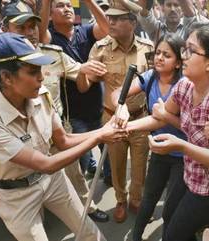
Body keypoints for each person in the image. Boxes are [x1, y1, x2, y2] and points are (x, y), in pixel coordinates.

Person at [0, 32, 126, 241]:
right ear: (6, 77)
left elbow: (63, 141)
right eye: (33, 71)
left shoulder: (41, 94)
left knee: (88, 231)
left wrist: (104, 131)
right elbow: (45, 164)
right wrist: (99, 138)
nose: (42, 77)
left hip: (53, 181)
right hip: (17, 196)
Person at [123, 22, 209, 240]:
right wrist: (124, 127)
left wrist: (181, 145)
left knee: (173, 235)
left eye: (191, 51)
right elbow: (158, 117)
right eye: (184, 49)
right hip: (189, 177)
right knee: (170, 223)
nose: (184, 56)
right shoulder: (185, 86)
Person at [0, 0, 109, 222]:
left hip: (54, 135)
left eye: (32, 27)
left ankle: (87, 207)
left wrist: (89, 67)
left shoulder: (53, 54)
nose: (29, 33)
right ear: (5, 30)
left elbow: (79, 69)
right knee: (25, 189)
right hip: (16, 141)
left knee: (74, 174)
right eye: (21, 28)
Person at [111, 33, 187, 240]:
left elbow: (160, 120)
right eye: (158, 53)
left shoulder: (184, 85)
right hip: (159, 150)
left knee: (171, 204)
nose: (160, 58)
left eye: (167, 55)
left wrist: (127, 127)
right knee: (148, 199)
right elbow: (118, 92)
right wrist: (121, 109)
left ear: (179, 62)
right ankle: (136, 235)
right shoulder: (150, 76)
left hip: (182, 155)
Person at [85, 0, 154, 223]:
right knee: (116, 165)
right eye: (109, 18)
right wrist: (86, 74)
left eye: (116, 19)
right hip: (112, 119)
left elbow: (155, 82)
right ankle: (121, 200)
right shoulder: (100, 48)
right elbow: (86, 82)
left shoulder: (148, 48)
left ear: (132, 22)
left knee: (140, 164)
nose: (110, 22)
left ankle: (136, 199)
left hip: (140, 118)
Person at [39, 0, 111, 179]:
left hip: (97, 106)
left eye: (69, 5)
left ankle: (111, 181)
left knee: (109, 154)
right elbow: (40, 34)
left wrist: (89, 1)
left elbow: (106, 28)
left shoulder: (85, 31)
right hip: (73, 115)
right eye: (60, 6)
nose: (66, 9)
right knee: (80, 160)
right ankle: (83, 201)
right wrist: (46, 3)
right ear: (50, 15)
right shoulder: (50, 38)